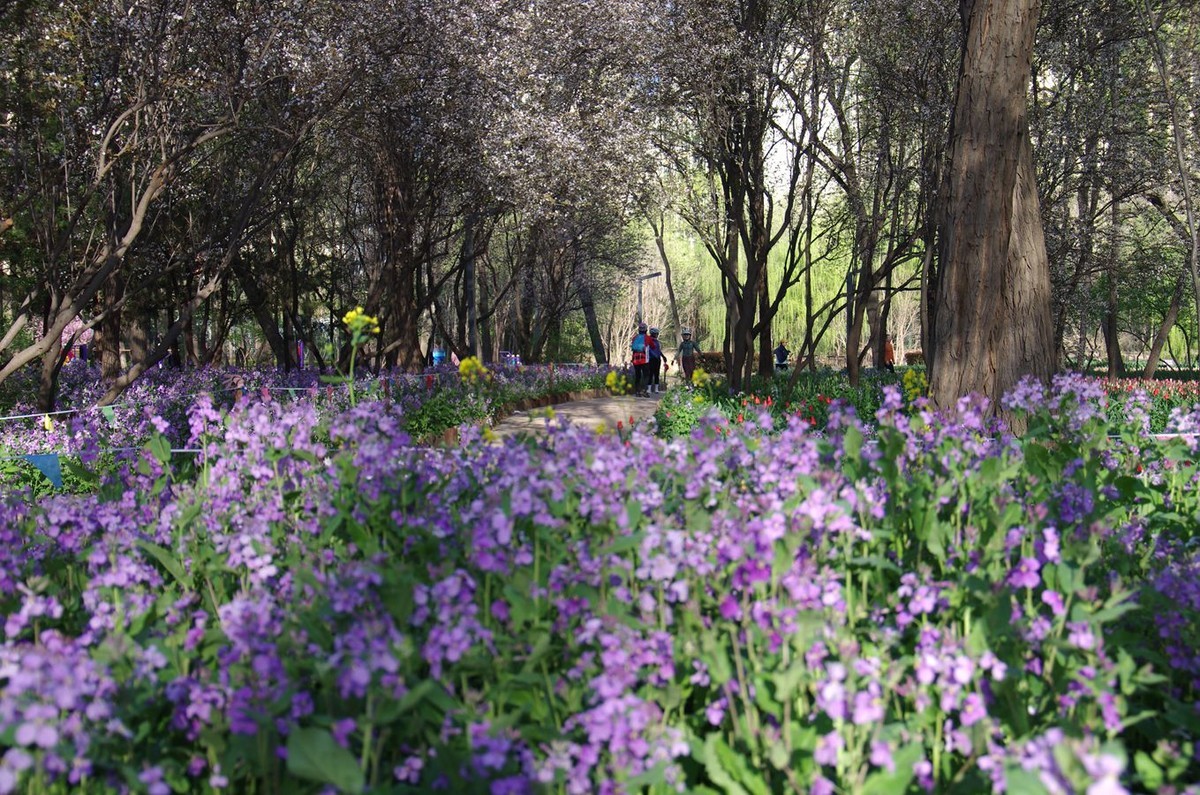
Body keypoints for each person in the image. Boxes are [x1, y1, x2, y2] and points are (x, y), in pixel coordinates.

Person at [630, 322, 650, 396]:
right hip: (644, 359)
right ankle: (644, 390)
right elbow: (652, 347)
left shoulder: (634, 337)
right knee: (646, 375)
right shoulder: (648, 338)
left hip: (635, 358)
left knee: (638, 375)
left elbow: (632, 348)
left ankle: (637, 391)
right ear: (645, 330)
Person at [647, 327, 666, 394]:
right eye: (656, 334)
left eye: (657, 334)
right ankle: (649, 389)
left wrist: (663, 356)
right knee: (650, 374)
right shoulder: (649, 341)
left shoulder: (657, 341)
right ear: (653, 334)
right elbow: (648, 350)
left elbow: (658, 350)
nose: (657, 335)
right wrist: (654, 355)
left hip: (658, 359)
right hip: (651, 359)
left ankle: (656, 389)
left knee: (656, 374)